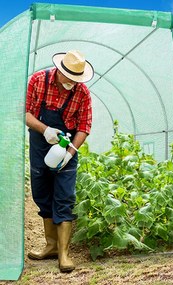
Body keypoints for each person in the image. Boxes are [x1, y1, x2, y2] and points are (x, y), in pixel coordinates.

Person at [25, 50, 94, 272]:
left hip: (66, 147)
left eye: (78, 79)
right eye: (71, 78)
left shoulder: (82, 93)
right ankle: (51, 246)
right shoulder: (38, 80)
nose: (74, 83)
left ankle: (64, 254)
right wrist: (45, 130)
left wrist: (70, 153)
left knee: (64, 196)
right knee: (42, 193)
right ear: (60, 71)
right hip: (40, 141)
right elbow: (25, 114)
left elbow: (84, 126)